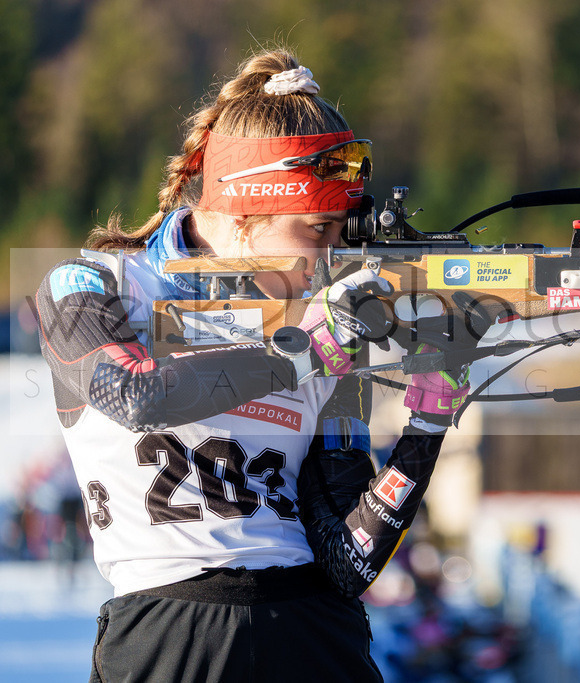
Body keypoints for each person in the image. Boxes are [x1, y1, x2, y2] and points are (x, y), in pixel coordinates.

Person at [34, 48, 470, 682]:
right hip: (170, 633)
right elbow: (135, 394)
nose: (329, 258)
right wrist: (305, 352)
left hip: (313, 630)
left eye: (339, 235)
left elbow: (351, 561)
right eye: (316, 230)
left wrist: (430, 419)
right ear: (244, 213)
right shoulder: (94, 283)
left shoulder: (321, 317)